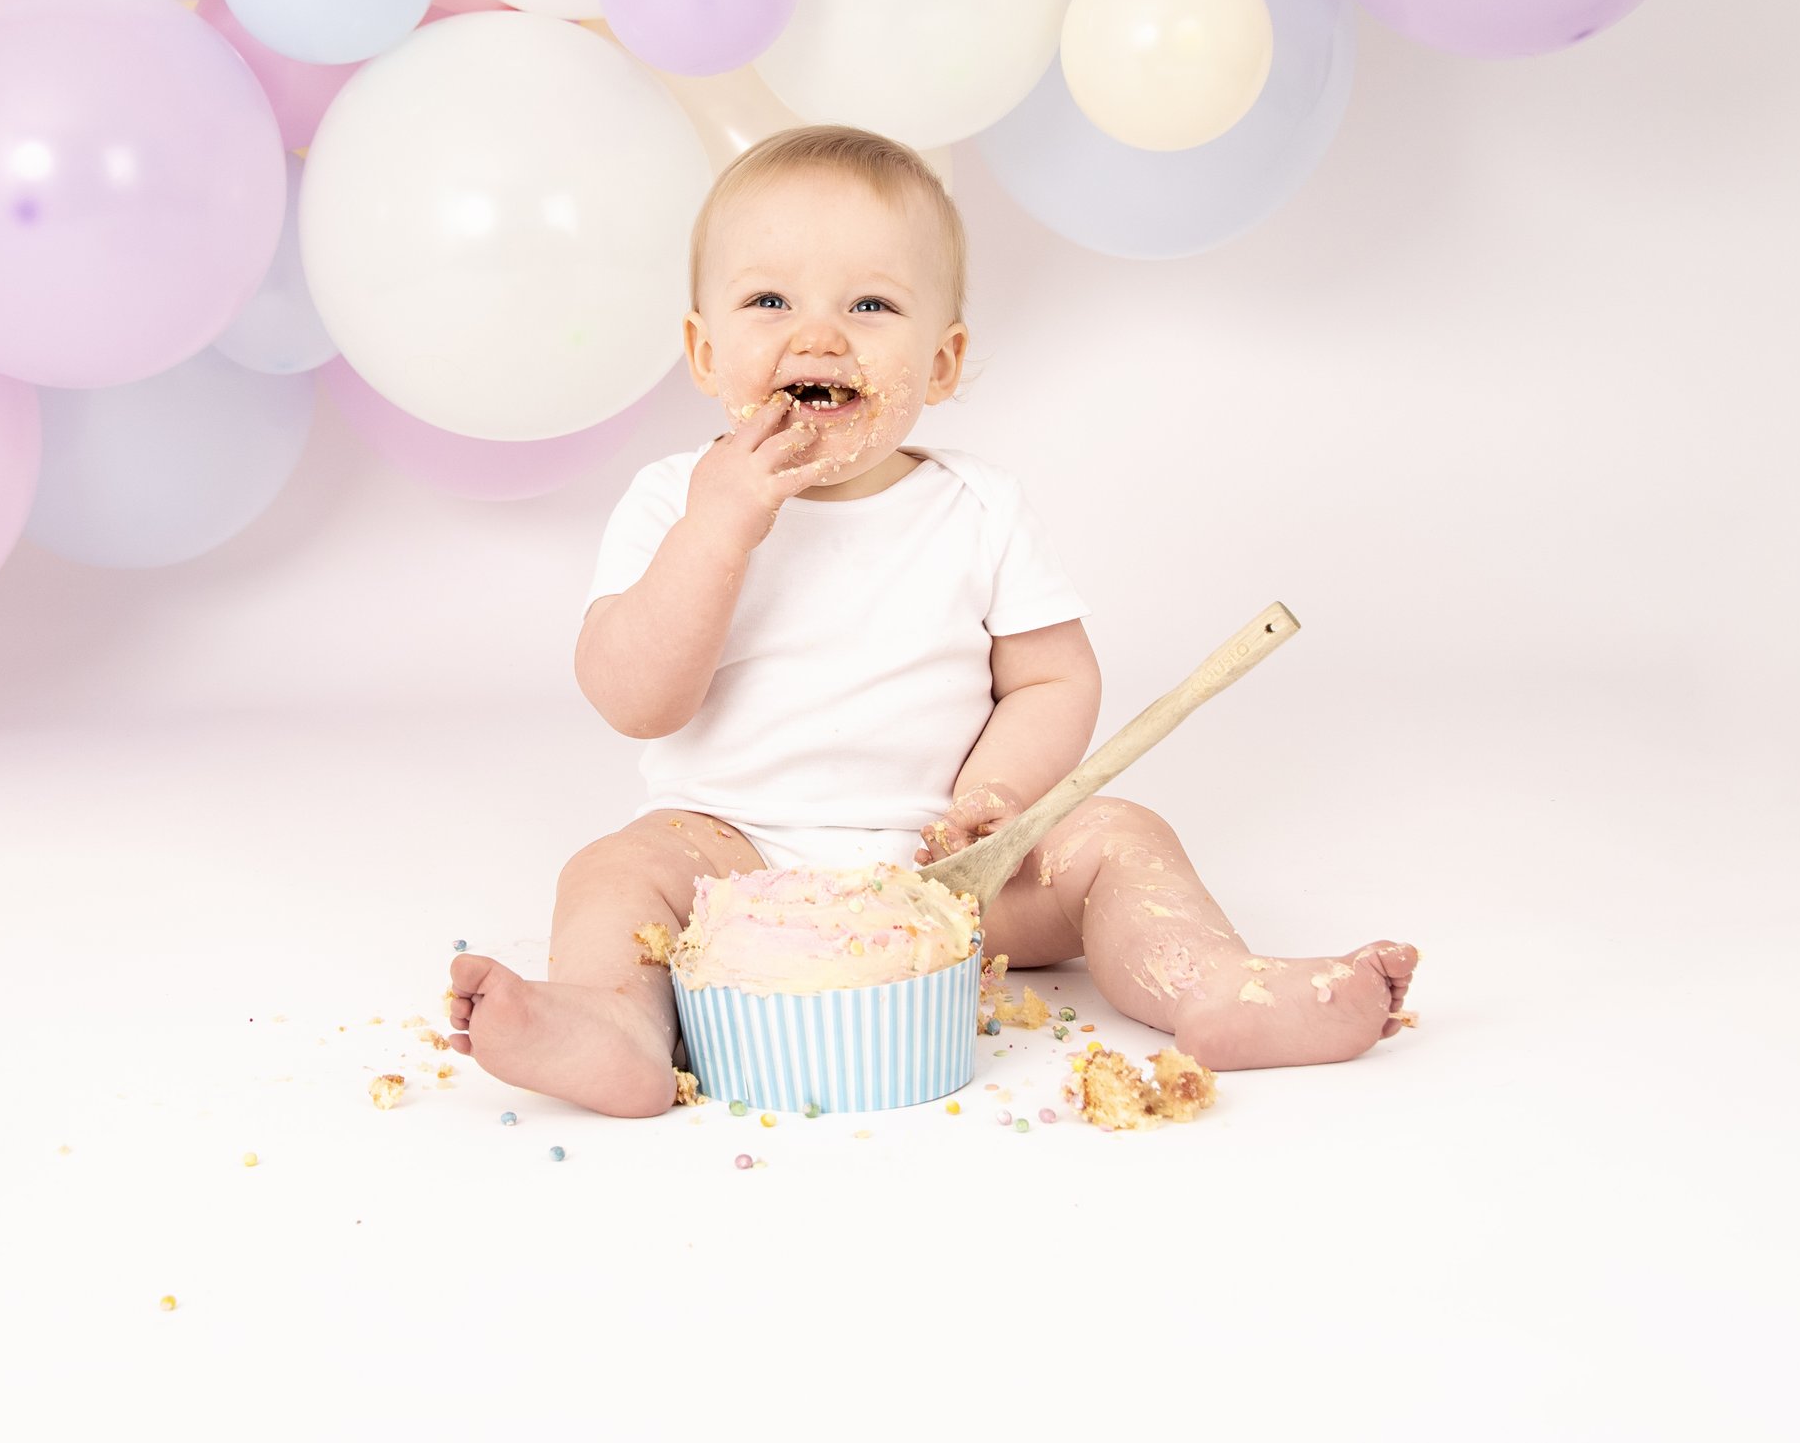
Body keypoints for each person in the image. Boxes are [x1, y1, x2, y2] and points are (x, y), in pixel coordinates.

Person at [447, 125, 1417, 1117]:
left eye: (870, 304)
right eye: (768, 300)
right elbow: (632, 698)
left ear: (942, 361)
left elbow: (1051, 678)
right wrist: (719, 527)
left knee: (1122, 836)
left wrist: (996, 793)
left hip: (950, 873)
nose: (819, 337)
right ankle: (614, 1025)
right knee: (611, 873)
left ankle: (1212, 983)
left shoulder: (977, 506)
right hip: (727, 858)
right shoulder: (670, 501)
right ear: (703, 351)